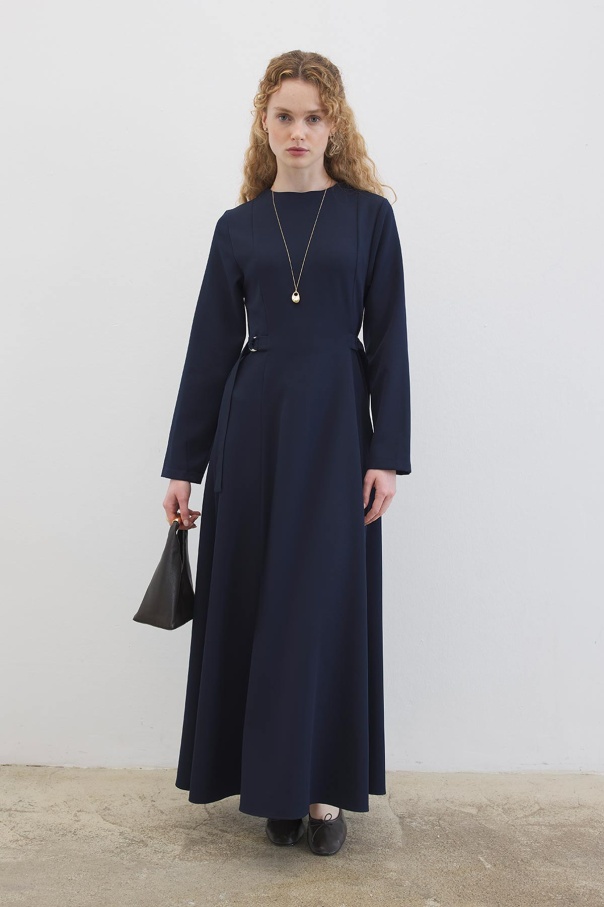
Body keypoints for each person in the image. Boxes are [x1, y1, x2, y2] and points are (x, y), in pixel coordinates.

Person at [160, 49, 411, 857]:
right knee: (262, 606)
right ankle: (273, 786)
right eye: (284, 116)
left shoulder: (369, 217)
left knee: (320, 607)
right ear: (263, 123)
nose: (298, 131)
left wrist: (387, 452)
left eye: (313, 116)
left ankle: (323, 793)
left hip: (336, 433)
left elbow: (389, 341)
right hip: (254, 432)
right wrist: (183, 466)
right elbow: (208, 350)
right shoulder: (236, 228)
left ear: (333, 125)